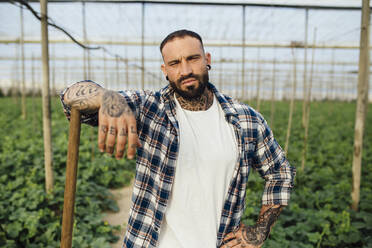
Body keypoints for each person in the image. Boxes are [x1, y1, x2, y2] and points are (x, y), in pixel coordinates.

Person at [60, 29, 296, 248]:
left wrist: (259, 232)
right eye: (175, 63)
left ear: (208, 60)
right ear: (165, 70)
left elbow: (280, 172)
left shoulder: (247, 120)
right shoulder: (148, 109)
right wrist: (109, 98)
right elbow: (70, 96)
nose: (185, 71)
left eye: (192, 58)